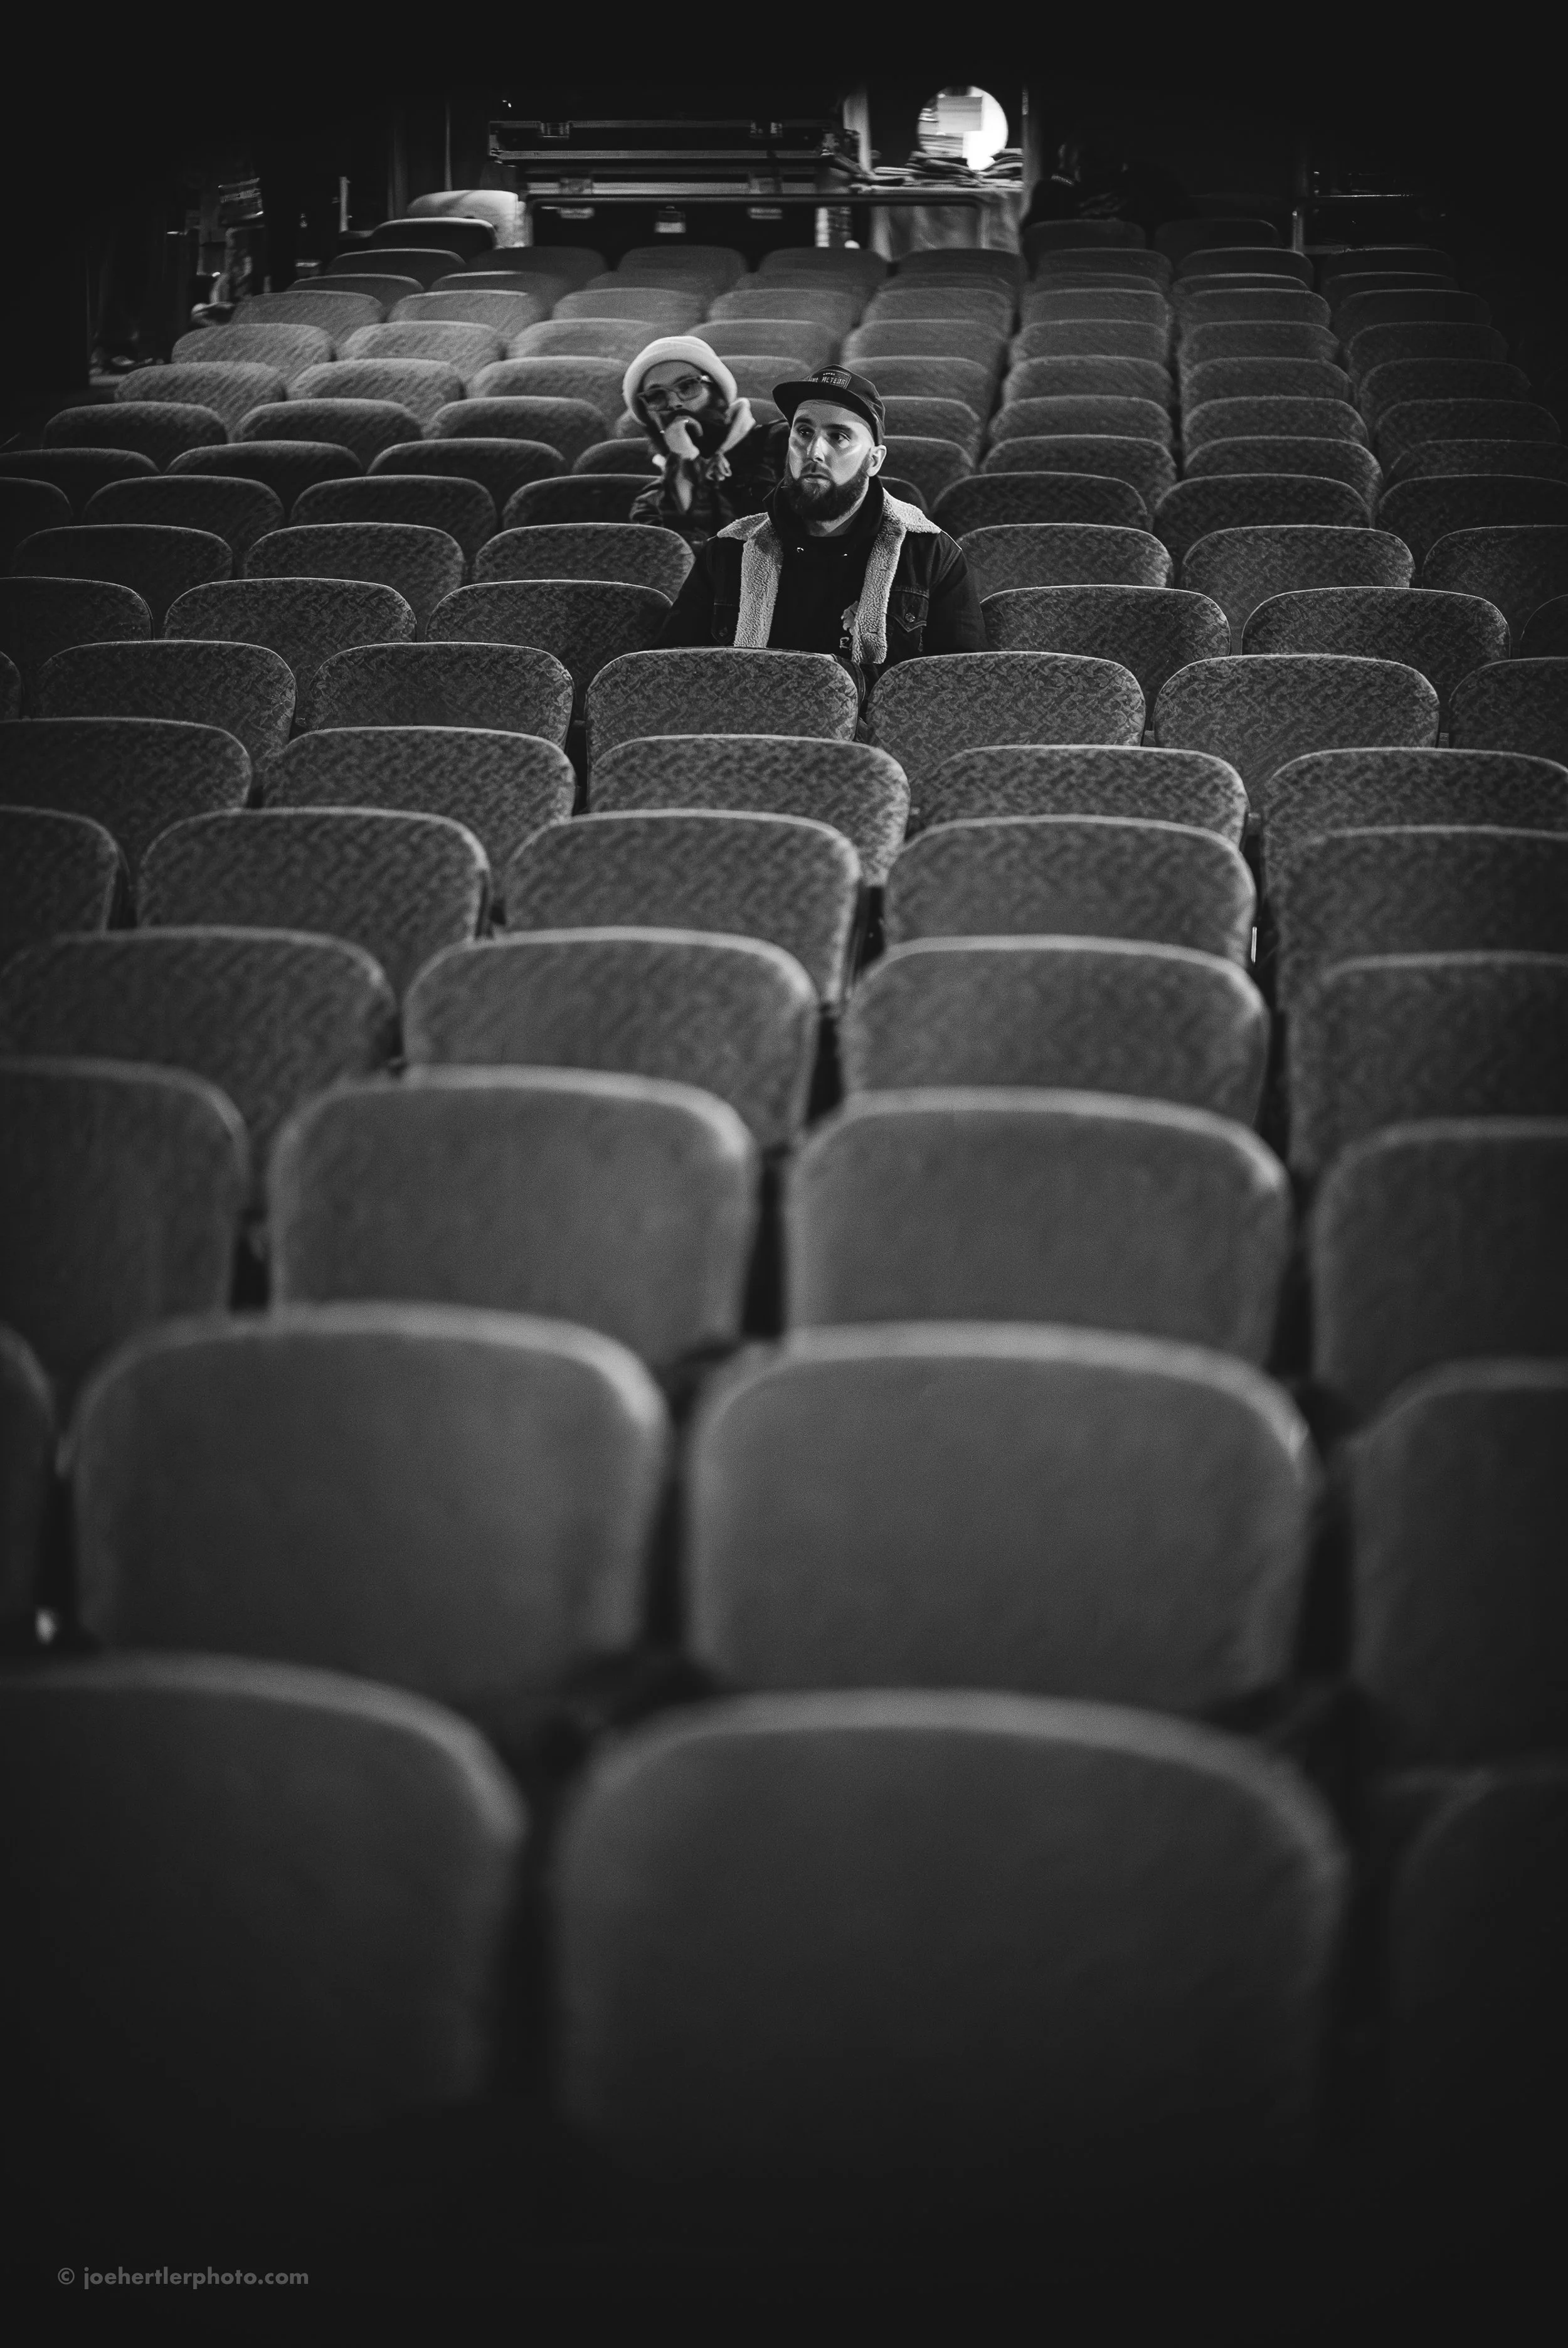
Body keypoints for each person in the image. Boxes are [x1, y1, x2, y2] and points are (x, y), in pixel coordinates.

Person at [654, 366, 985, 700]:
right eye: (804, 432)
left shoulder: (930, 553)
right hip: (749, 742)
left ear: (874, 460)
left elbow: (960, 693)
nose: (814, 452)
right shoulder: (729, 550)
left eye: (838, 437)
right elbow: (667, 677)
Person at [625, 338, 785, 548]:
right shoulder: (651, 503)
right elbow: (700, 558)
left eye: (688, 386)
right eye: (656, 396)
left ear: (716, 392)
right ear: (649, 417)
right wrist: (685, 462)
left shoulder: (783, 441)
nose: (674, 403)